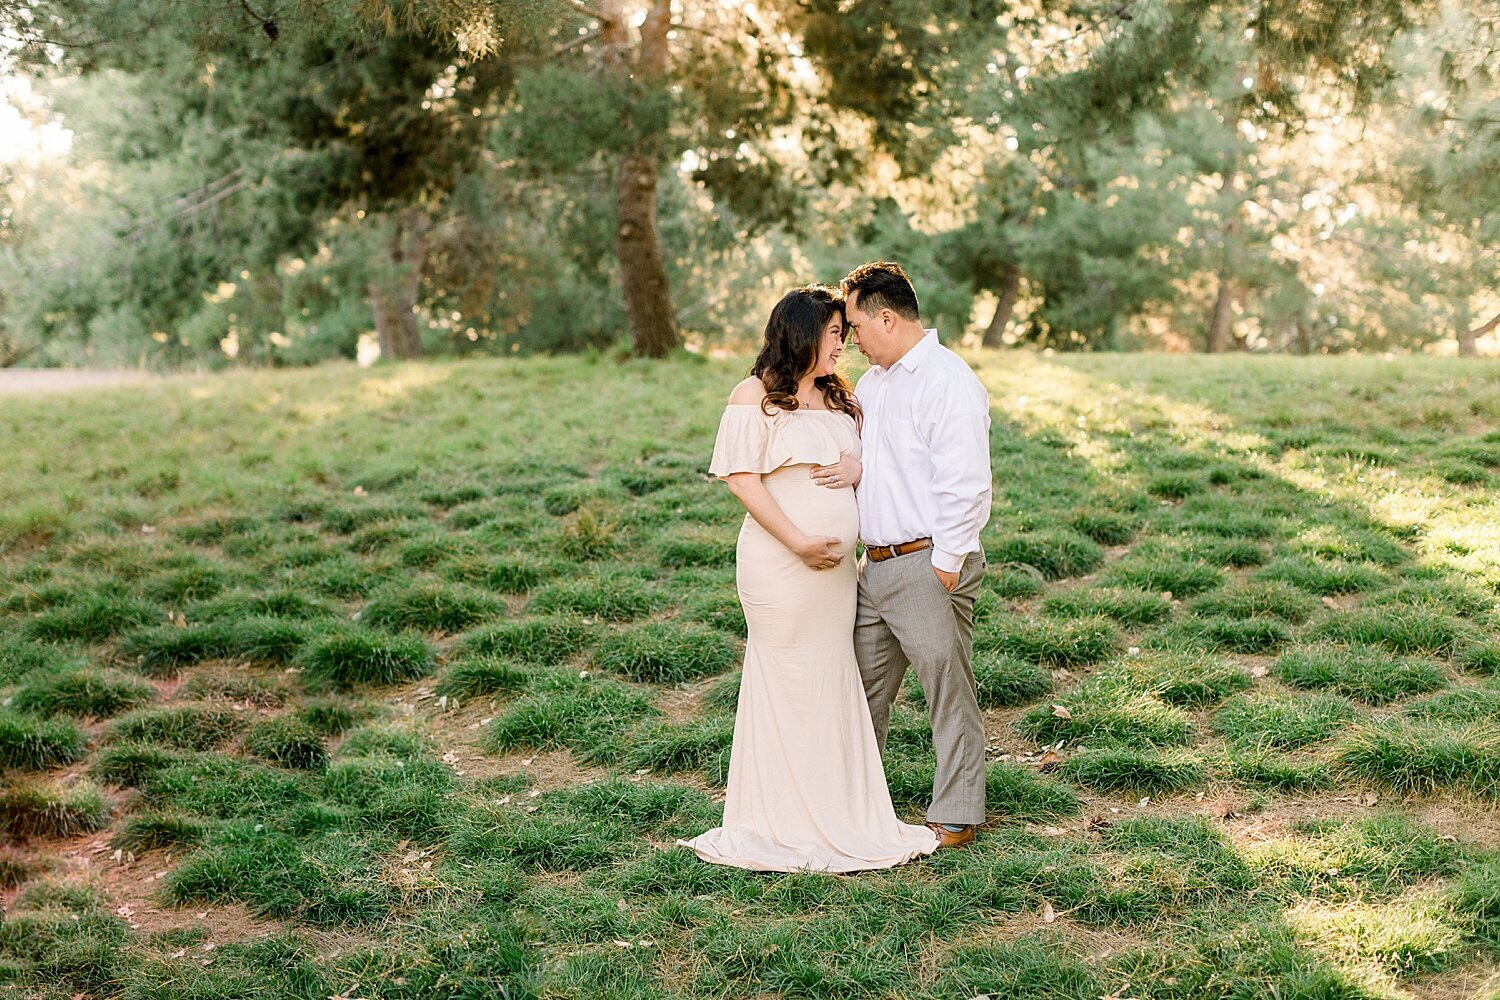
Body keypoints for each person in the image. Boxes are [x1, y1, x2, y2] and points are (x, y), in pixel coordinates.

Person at [678, 284, 939, 873]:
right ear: (800, 334)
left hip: (836, 575)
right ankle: (778, 821)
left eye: (844, 334)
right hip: (779, 566)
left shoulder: (841, 397)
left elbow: (887, 461)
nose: (842, 344)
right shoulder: (754, 396)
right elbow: (743, 482)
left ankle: (836, 810)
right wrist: (798, 541)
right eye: (833, 334)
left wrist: (858, 466)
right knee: (787, 678)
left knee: (829, 675)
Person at [813, 261, 992, 849]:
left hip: (926, 562)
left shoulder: (948, 380)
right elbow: (887, 465)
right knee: (860, 687)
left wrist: (946, 564)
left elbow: (964, 482)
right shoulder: (874, 384)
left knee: (946, 686)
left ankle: (958, 814)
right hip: (875, 567)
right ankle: (851, 802)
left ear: (887, 318)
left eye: (857, 327)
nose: (851, 340)